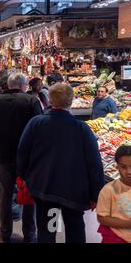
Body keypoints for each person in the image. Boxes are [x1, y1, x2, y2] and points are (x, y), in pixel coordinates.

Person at [17, 83, 104, 243]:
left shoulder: (36, 123)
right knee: (75, 229)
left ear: (50, 100)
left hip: (45, 189)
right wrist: (95, 194)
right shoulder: (81, 128)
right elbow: (94, 164)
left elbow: (22, 153)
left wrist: (26, 177)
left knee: (49, 228)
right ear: (70, 101)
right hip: (73, 193)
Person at [0, 72, 42, 243]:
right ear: (22, 85)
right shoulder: (31, 101)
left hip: (4, 156)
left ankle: (5, 234)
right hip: (27, 158)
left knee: (4, 196)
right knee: (28, 196)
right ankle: (30, 234)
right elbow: (38, 128)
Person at [96, 145, 131, 243]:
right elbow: (102, 218)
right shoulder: (109, 190)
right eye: (123, 167)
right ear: (117, 166)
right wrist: (128, 224)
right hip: (115, 237)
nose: (129, 172)